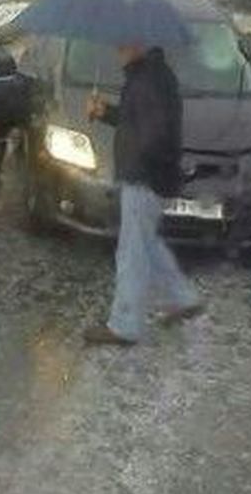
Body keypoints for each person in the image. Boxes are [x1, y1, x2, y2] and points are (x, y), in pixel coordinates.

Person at [84, 42, 202, 345]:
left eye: (124, 44)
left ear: (140, 44)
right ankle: (182, 297)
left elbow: (154, 135)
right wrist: (105, 111)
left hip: (144, 179)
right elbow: (136, 120)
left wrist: (137, 166)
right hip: (148, 177)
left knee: (131, 253)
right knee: (146, 242)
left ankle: (125, 326)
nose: (118, 50)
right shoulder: (149, 76)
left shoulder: (148, 81)